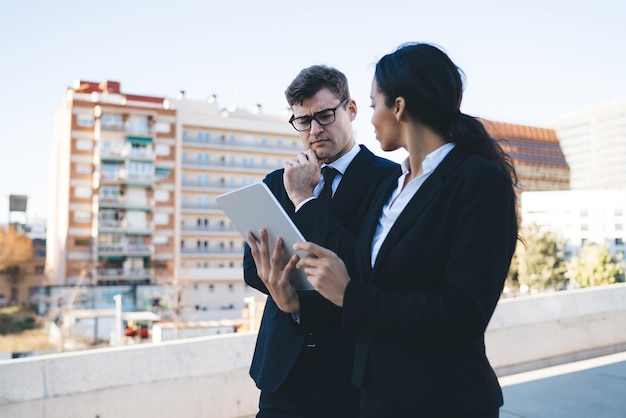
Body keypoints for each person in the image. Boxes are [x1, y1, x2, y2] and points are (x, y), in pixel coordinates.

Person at [249, 43, 519, 417]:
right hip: (375, 390)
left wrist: (346, 290)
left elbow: (459, 313)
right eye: (303, 121)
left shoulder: (474, 180)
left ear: (398, 106)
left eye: (375, 104)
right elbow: (364, 269)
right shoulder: (402, 185)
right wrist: (297, 305)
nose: (374, 119)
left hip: (439, 397)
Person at [243, 64, 399, 418]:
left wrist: (304, 200)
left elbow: (363, 267)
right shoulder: (275, 182)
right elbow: (253, 267)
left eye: (325, 115)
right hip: (281, 369)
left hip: (350, 370)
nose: (314, 130)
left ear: (352, 109)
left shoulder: (389, 181)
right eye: (303, 120)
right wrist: (283, 291)